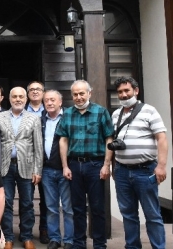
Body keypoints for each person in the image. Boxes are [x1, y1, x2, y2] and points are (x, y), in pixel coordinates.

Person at [109, 77, 168, 249]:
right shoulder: (116, 114)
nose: (123, 94)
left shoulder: (149, 111)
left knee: (152, 214)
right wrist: (112, 166)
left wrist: (161, 166)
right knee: (128, 214)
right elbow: (112, 141)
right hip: (122, 171)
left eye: (127, 90)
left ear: (136, 90)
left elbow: (162, 138)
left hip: (145, 170)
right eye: (120, 92)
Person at [57, 80, 114, 249]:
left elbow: (109, 138)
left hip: (95, 165)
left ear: (89, 93)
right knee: (77, 208)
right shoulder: (67, 114)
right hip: (74, 165)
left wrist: (106, 165)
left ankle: (99, 244)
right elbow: (63, 140)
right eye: (75, 94)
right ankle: (79, 243)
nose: (78, 97)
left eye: (82, 93)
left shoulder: (101, 112)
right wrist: (65, 166)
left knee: (97, 208)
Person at [0, 87, 43, 249]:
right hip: (5, 167)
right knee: (6, 202)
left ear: (26, 99)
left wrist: (37, 170)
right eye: (14, 96)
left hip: (27, 166)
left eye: (21, 96)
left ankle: (26, 236)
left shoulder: (33, 118)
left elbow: (38, 146)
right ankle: (8, 237)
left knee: (27, 203)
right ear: (9, 98)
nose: (18, 99)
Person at [40, 90, 73, 249]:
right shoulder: (41, 119)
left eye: (53, 100)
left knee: (68, 207)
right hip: (47, 170)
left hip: (66, 170)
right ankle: (54, 238)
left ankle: (69, 240)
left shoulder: (69, 117)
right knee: (51, 207)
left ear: (60, 102)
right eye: (46, 100)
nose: (49, 103)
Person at [25, 81, 48, 243]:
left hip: (47, 162)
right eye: (31, 90)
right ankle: (26, 232)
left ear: (43, 92)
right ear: (27, 94)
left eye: (38, 89)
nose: (35, 92)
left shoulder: (50, 111)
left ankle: (44, 229)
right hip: (26, 162)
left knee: (46, 200)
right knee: (27, 200)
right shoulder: (21, 111)